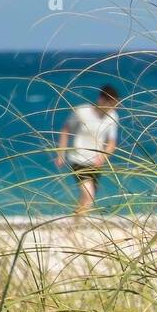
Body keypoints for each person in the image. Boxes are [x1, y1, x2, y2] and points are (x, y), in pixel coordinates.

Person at [55, 85, 120, 215]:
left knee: (87, 198)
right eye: (111, 104)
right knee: (89, 194)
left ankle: (75, 225)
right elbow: (65, 130)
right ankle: (76, 226)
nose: (113, 108)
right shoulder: (82, 111)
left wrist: (103, 157)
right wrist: (60, 153)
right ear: (101, 100)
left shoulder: (113, 116)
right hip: (78, 159)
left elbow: (112, 143)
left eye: (115, 105)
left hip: (96, 163)